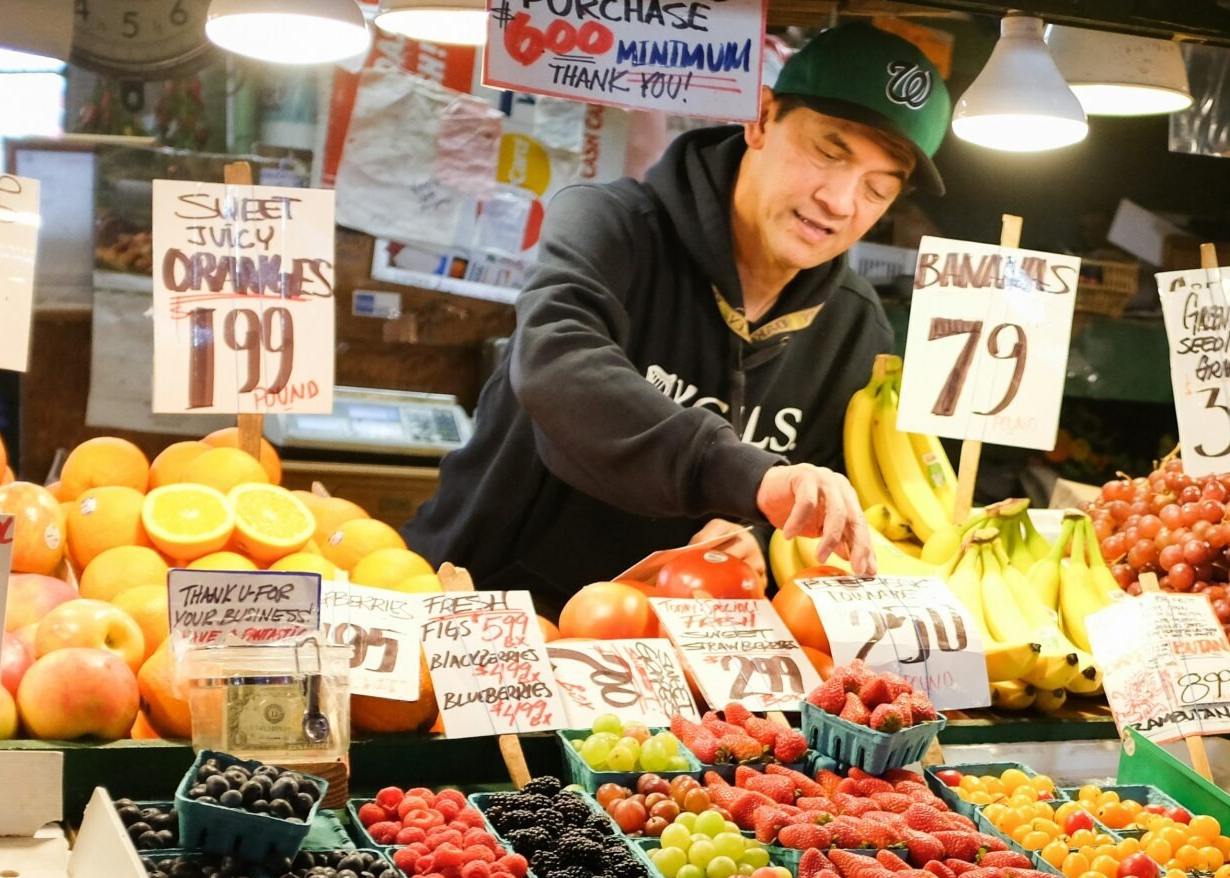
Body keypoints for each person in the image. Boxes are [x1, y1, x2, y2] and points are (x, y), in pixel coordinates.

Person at [404, 24, 947, 599]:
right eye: (828, 152)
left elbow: (818, 513)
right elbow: (558, 366)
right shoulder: (608, 227)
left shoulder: (856, 330)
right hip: (483, 606)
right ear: (761, 119)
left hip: (676, 654)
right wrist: (751, 478)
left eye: (878, 188)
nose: (839, 202)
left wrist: (756, 535)